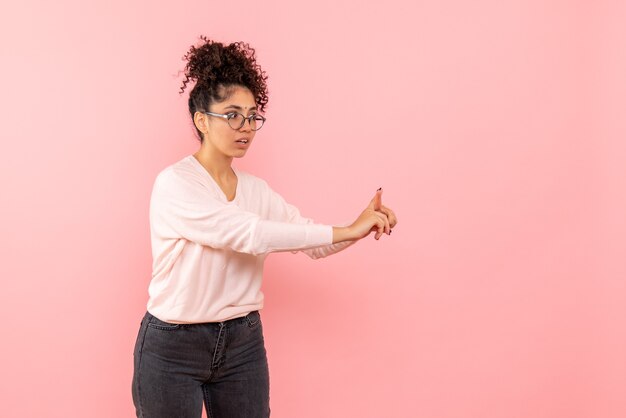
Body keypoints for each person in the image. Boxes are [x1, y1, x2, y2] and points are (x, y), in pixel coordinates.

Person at [131, 36, 398, 418]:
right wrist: (347, 230)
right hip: (174, 345)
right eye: (232, 114)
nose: (246, 127)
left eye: (253, 115)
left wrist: (358, 226)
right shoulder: (175, 184)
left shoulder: (257, 191)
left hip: (242, 343)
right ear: (201, 120)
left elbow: (312, 243)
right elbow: (249, 234)